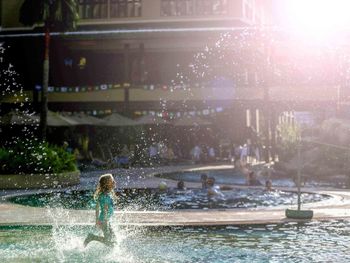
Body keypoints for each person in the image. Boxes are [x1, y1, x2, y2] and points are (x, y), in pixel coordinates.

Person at [84, 174, 116, 247]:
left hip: (105, 220)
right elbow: (103, 209)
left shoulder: (106, 194)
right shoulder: (104, 196)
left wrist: (97, 220)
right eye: (112, 181)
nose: (114, 182)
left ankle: (92, 237)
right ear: (107, 184)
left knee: (113, 240)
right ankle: (92, 237)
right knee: (110, 241)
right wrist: (102, 221)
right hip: (104, 221)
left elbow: (97, 208)